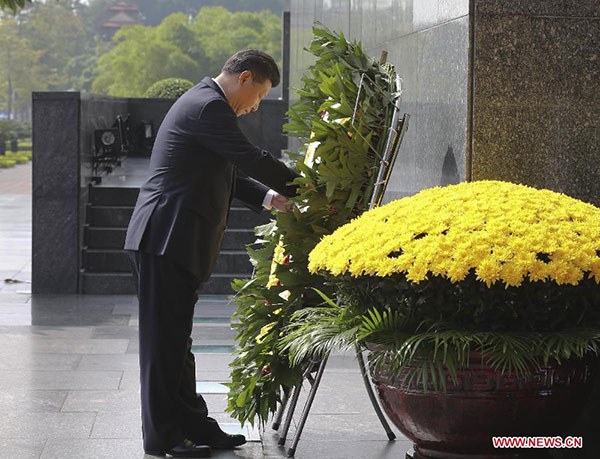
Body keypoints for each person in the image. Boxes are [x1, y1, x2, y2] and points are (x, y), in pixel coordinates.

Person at [124, 49, 300, 458]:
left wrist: (271, 198)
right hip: (164, 239)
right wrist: (307, 186)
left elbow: (227, 170)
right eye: (259, 95)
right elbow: (248, 158)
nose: (256, 105)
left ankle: (193, 425)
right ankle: (162, 435)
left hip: (172, 240)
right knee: (162, 345)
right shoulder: (208, 107)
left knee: (174, 343)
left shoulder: (203, 103)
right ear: (245, 78)